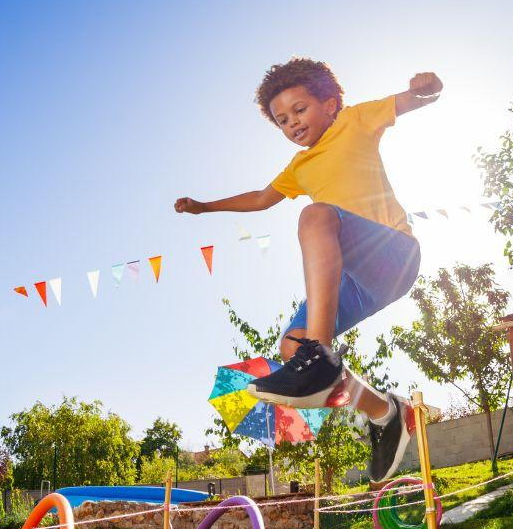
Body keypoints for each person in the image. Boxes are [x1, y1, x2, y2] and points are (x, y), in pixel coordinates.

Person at [175, 58, 440, 481]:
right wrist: (205, 207)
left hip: (393, 254)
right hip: (357, 280)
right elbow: (261, 198)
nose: (292, 124)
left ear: (330, 104)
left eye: (300, 110)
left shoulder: (354, 121)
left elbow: (411, 100)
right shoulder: (299, 166)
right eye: (282, 120)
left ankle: (320, 357)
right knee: (290, 349)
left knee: (315, 217)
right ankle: (385, 412)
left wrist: (426, 87)